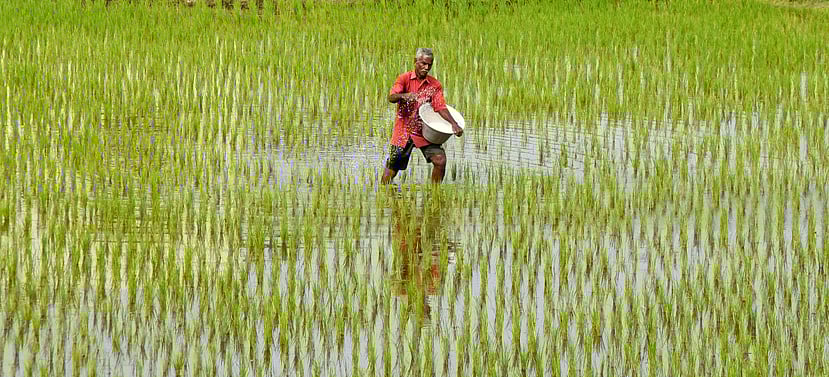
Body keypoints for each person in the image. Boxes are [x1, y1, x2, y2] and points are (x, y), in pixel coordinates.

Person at [381, 48, 463, 185]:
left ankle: (435, 195)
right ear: (415, 61)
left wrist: (454, 124)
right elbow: (391, 97)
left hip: (424, 131)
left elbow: (440, 107)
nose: (426, 68)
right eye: (423, 64)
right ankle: (382, 194)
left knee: (440, 160)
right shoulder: (404, 78)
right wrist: (404, 96)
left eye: (429, 65)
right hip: (404, 131)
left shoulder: (434, 85)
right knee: (392, 168)